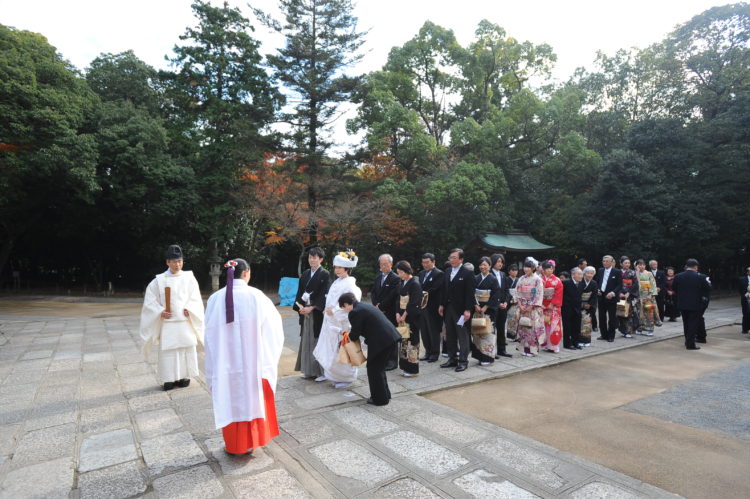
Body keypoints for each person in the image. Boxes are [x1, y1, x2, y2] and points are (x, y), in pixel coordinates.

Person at [203, 258, 284, 454]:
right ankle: (252, 442)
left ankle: (233, 444)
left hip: (225, 364)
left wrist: (215, 361)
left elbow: (209, 334)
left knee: (229, 399)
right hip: (253, 364)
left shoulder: (215, 299)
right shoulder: (257, 297)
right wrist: (266, 360)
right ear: (246, 273)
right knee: (253, 400)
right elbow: (274, 331)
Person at [140, 245, 205, 391]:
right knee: (169, 351)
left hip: (185, 321)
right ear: (167, 262)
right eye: (174, 262)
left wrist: (191, 309)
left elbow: (195, 298)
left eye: (180, 261)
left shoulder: (189, 278)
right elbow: (150, 301)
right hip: (168, 323)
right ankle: (168, 379)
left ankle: (185, 376)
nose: (177, 264)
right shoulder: (159, 280)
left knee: (185, 348)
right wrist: (159, 311)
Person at [339, 293, 401, 406]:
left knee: (374, 369)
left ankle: (379, 399)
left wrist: (345, 334)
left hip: (381, 341)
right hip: (389, 337)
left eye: (343, 307)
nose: (344, 310)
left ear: (346, 304)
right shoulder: (363, 306)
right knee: (379, 368)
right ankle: (385, 394)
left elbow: (354, 335)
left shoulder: (355, 312)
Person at [312, 250, 362, 388]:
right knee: (332, 351)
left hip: (342, 323)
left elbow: (351, 305)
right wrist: (328, 309)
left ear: (347, 268)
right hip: (331, 322)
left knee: (343, 349)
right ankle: (335, 376)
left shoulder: (350, 285)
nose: (337, 270)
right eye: (336, 267)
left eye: (340, 267)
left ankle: (346, 378)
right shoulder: (337, 282)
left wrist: (333, 310)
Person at [293, 247, 330, 379]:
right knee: (306, 340)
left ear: (321, 259)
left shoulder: (325, 274)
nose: (311, 260)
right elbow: (300, 293)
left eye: (314, 257)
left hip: (317, 313)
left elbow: (325, 294)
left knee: (317, 341)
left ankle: (322, 372)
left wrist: (313, 306)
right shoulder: (305, 274)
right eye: (310, 257)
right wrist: (300, 307)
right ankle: (308, 371)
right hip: (305, 311)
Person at [439, 248, 475, 372]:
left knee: (463, 335)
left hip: (461, 309)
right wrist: (441, 305)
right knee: (450, 334)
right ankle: (452, 358)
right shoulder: (447, 271)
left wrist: (468, 310)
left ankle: (463, 361)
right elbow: (444, 290)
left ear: (461, 259)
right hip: (448, 308)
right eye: (450, 257)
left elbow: (470, 294)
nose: (452, 260)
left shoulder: (467, 273)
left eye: (454, 257)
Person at [673, 259, 711, 350]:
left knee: (686, 323)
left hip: (683, 303)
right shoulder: (702, 276)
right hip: (696, 304)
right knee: (693, 324)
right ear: (695, 267)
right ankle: (690, 344)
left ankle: (687, 341)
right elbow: (709, 288)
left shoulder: (678, 276)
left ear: (687, 266)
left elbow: (674, 288)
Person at [510, 258, 545, 356]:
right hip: (522, 306)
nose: (526, 269)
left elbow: (539, 294)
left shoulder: (537, 279)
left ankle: (533, 350)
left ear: (533, 268)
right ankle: (525, 349)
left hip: (533, 307)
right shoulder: (521, 279)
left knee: (532, 328)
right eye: (525, 267)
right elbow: (516, 292)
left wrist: (531, 306)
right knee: (523, 328)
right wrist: (520, 304)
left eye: (528, 267)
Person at [371, 253, 400, 370]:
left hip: (390, 311)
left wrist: (381, 306)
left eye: (385, 264)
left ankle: (392, 362)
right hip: (378, 312)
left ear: (391, 264)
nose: (383, 266)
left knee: (391, 337)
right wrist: (375, 304)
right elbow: (373, 292)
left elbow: (393, 295)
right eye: (381, 264)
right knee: (381, 336)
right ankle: (384, 359)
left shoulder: (395, 278)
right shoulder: (378, 277)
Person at [471, 256, 500, 365]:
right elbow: (471, 292)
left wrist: (486, 306)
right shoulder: (476, 278)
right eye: (481, 265)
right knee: (477, 332)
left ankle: (487, 357)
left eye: (485, 265)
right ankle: (479, 355)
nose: (482, 267)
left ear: (490, 266)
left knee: (488, 332)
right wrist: (475, 305)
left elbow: (496, 295)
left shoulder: (493, 279)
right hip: (477, 308)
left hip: (489, 310)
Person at [395, 260, 422, 376]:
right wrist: (397, 313)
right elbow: (397, 299)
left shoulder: (415, 283)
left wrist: (405, 315)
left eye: (401, 272)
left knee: (412, 341)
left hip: (411, 317)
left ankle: (412, 369)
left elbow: (414, 302)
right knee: (404, 342)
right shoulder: (402, 283)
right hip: (401, 316)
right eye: (398, 273)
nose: (400, 275)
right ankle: (405, 367)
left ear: (407, 271)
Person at [418, 253, 444, 362]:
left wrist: (422, 293)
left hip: (433, 305)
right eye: (423, 262)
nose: (425, 264)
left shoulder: (439, 274)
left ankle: (434, 353)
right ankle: (427, 351)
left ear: (433, 262)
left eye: (427, 262)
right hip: (422, 306)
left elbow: (435, 289)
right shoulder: (421, 273)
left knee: (433, 330)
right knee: (424, 330)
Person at [490, 253, 513, 358]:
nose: (500, 263)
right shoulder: (489, 274)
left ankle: (502, 350)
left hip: (503, 305)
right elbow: (488, 292)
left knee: (501, 328)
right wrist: (497, 303)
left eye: (501, 262)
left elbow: (507, 290)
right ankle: (491, 351)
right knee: (491, 329)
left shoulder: (503, 275)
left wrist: (506, 302)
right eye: (498, 261)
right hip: (493, 306)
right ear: (493, 262)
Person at [596, 255, 622, 343]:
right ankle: (603, 334)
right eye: (603, 261)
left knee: (612, 318)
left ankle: (611, 336)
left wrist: (613, 293)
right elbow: (598, 282)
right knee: (601, 317)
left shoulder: (617, 272)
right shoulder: (600, 270)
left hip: (611, 297)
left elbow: (620, 285)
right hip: (601, 297)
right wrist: (597, 290)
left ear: (611, 262)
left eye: (607, 261)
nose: (605, 263)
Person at [540, 261, 563, 353]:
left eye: (551, 268)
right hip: (542, 306)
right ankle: (546, 345)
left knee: (554, 326)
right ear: (543, 270)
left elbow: (558, 293)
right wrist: (540, 303)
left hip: (553, 307)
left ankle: (554, 346)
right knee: (544, 326)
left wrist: (552, 303)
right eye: (548, 268)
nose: (550, 270)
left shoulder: (557, 280)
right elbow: (537, 293)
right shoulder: (540, 280)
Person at [617, 256, 640, 338]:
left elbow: (635, 284)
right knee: (621, 313)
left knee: (629, 313)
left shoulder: (632, 273)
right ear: (621, 264)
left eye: (628, 263)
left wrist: (629, 293)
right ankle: (623, 330)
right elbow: (616, 284)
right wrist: (619, 293)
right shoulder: (618, 272)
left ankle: (629, 331)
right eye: (625, 263)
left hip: (629, 296)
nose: (627, 264)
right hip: (620, 295)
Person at [561, 269, 583, 350]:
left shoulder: (581, 284)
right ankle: (567, 344)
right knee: (567, 327)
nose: (581, 276)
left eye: (581, 274)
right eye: (579, 274)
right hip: (567, 308)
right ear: (573, 275)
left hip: (577, 308)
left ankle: (576, 342)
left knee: (576, 326)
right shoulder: (566, 283)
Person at [636, 259, 659, 336]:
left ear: (645, 266)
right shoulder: (635, 273)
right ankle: (640, 328)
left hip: (648, 295)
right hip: (638, 296)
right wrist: (637, 272)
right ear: (636, 266)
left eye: (643, 265)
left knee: (649, 312)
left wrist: (650, 294)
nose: (641, 266)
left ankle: (650, 329)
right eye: (639, 264)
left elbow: (653, 284)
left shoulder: (649, 273)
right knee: (639, 313)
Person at [579, 266, 598, 347]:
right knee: (579, 323)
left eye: (591, 273)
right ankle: (578, 340)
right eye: (588, 273)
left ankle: (587, 340)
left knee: (587, 324)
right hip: (579, 304)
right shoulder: (580, 281)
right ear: (584, 273)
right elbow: (577, 294)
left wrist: (589, 304)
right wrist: (582, 304)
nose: (589, 275)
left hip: (589, 305)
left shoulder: (594, 283)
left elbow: (594, 295)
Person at [505, 264, 520, 338]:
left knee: (517, 318)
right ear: (509, 272)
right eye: (513, 270)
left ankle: (516, 335)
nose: (515, 272)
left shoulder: (519, 280)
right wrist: (510, 298)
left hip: (517, 301)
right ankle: (510, 334)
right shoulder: (506, 279)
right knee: (510, 318)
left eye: (516, 270)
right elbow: (505, 291)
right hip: (509, 301)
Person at [649, 259, 666, 326]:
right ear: (650, 265)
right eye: (653, 264)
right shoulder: (648, 272)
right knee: (652, 306)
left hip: (660, 292)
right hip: (651, 292)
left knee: (660, 305)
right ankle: (653, 319)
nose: (655, 265)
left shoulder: (661, 272)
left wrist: (659, 288)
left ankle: (661, 319)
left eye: (656, 264)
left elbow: (664, 282)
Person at [739, 267, 750, 335]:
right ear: (747, 272)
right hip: (746, 299)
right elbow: (740, 289)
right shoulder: (742, 279)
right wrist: (744, 295)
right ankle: (745, 329)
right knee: (745, 314)